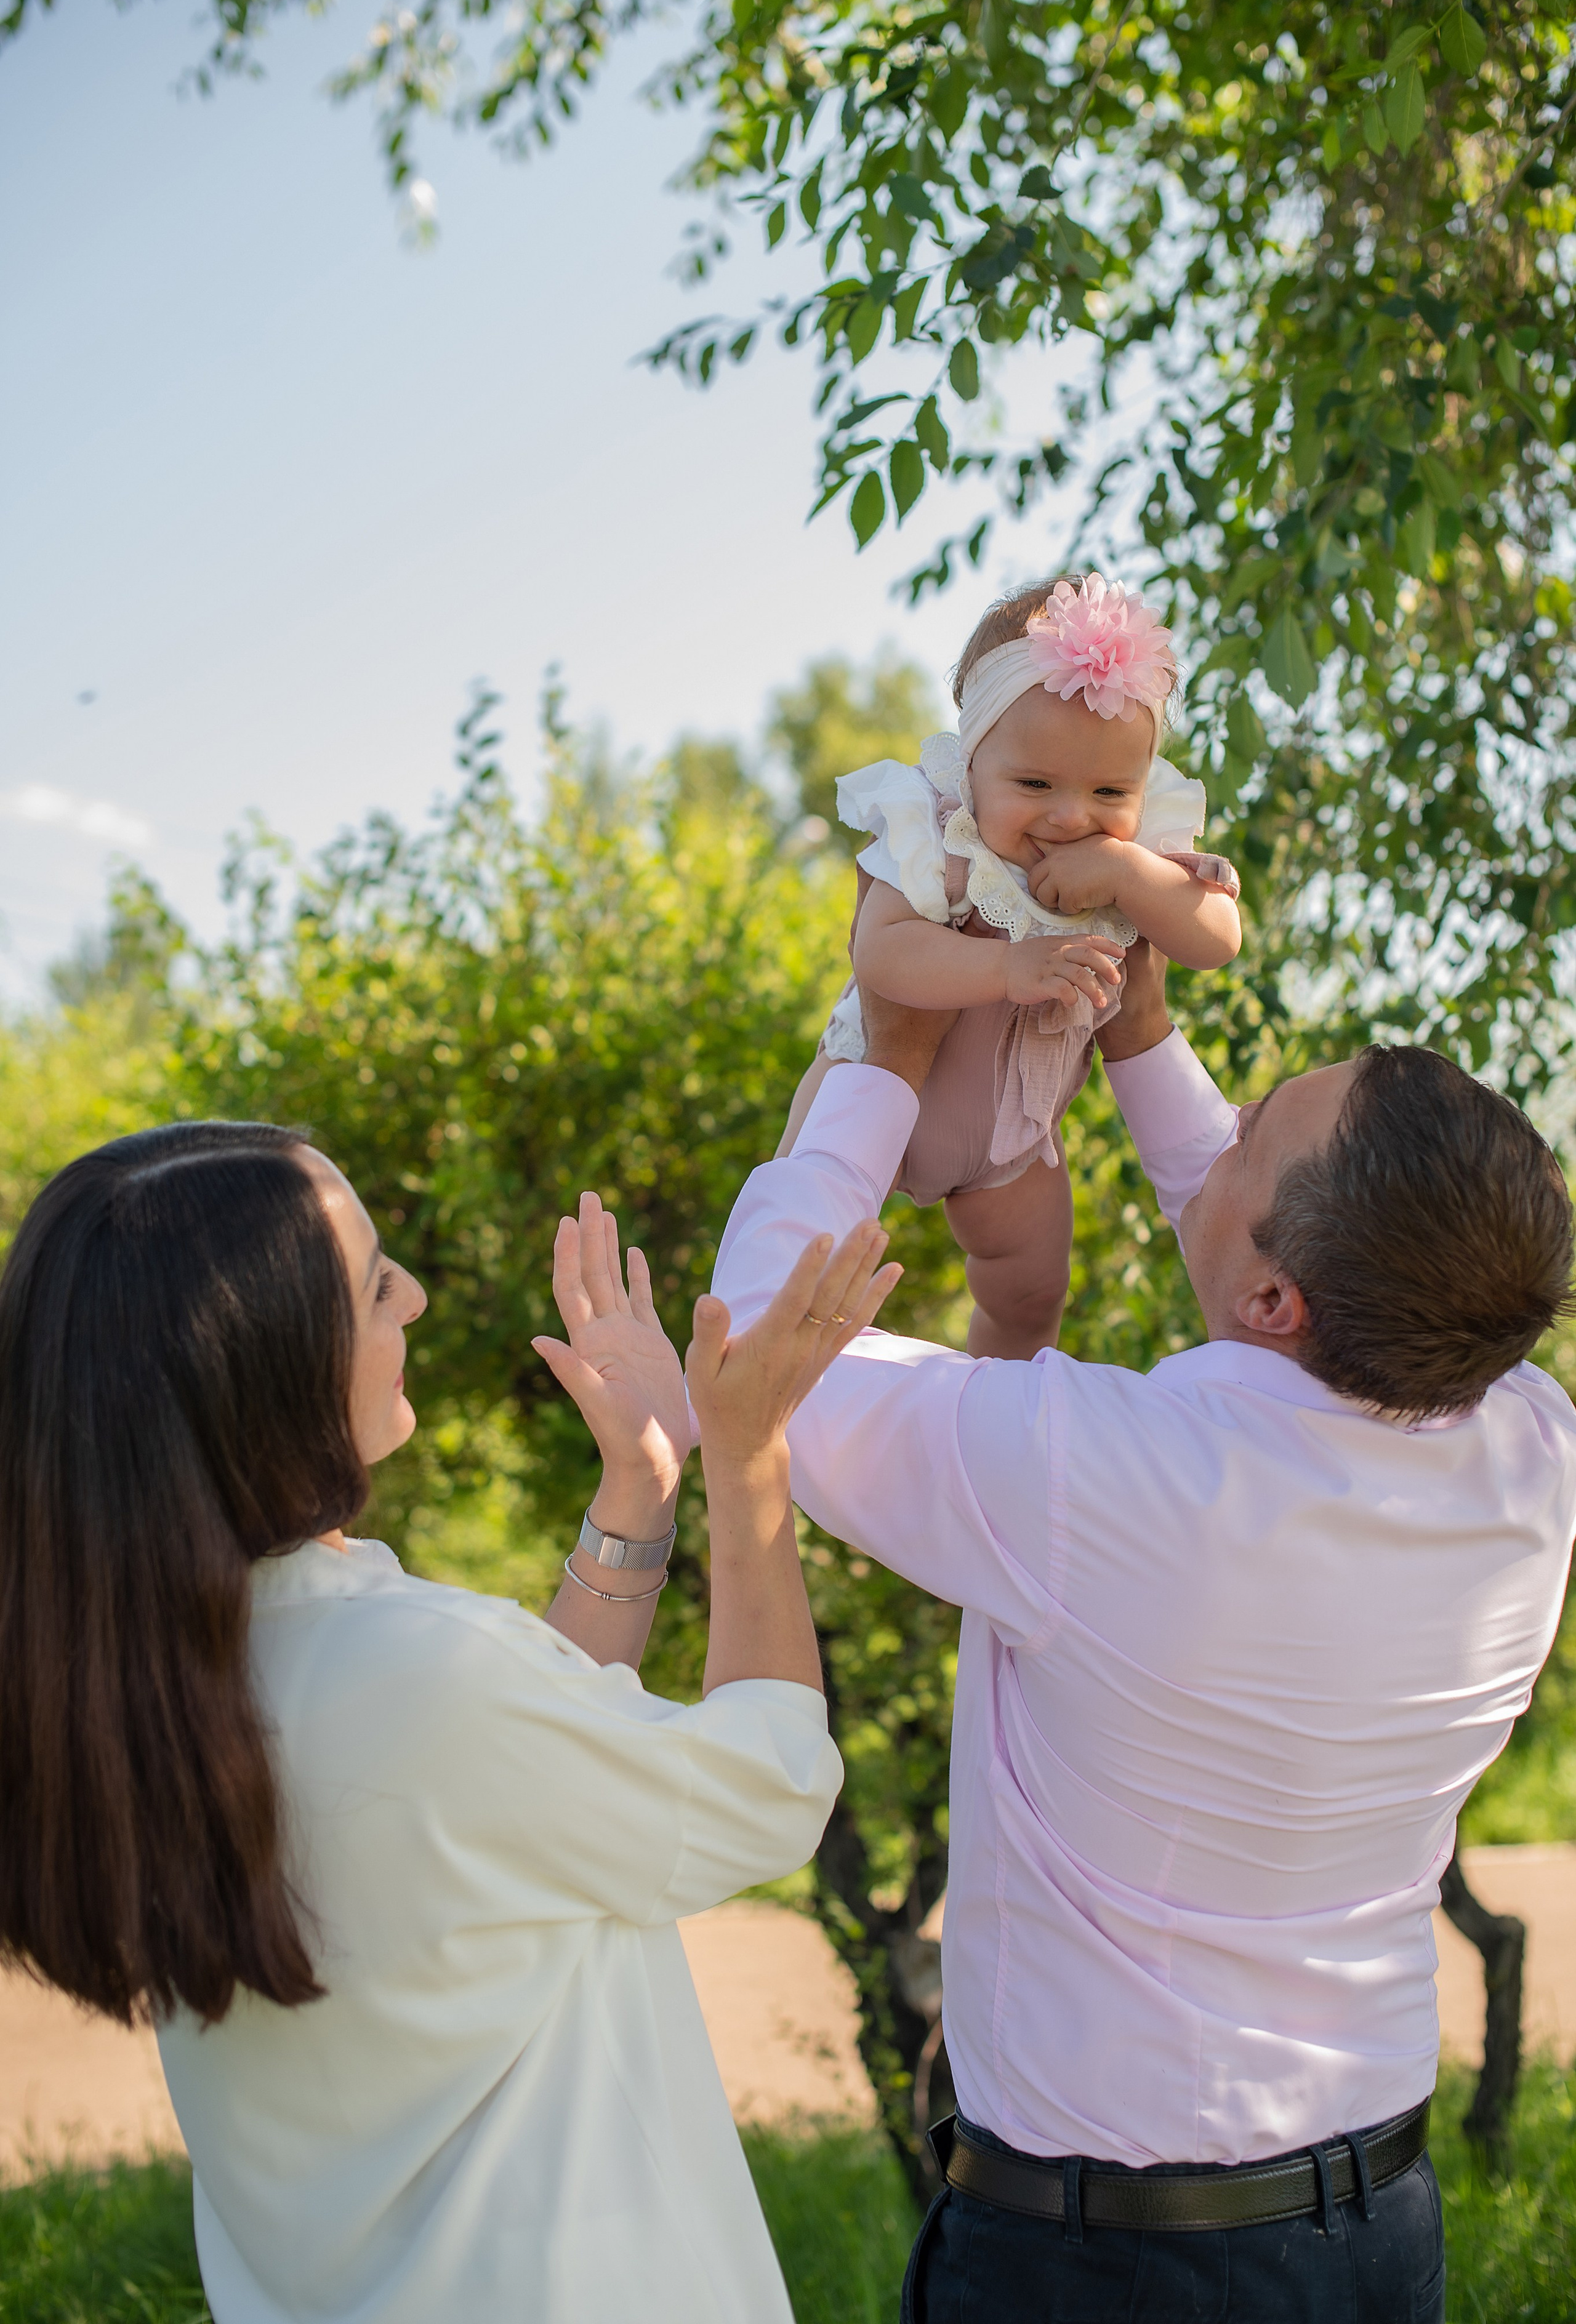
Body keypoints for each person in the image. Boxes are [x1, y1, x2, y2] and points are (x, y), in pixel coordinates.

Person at [714, 941, 1576, 2323]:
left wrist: (881, 1056)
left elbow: (755, 1351)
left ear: (1274, 1304)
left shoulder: (1104, 1480)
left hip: (1112, 2267)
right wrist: (1141, 1033)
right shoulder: (1528, 1441)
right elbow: (1278, 1262)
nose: (1219, 1127)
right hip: (1372, 2228)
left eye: (1250, 1125)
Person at [0, 1121, 899, 2324]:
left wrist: (637, 1494)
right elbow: (772, 1779)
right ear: (270, 1363)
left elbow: (503, 1795)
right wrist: (747, 1465)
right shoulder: (414, 1675)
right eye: (375, 1282)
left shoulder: (150, 1684)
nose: (414, 1297)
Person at [779, 572, 1241, 1358]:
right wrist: (1005, 968)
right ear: (973, 763)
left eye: (1108, 789)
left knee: (1030, 1295)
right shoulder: (937, 829)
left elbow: (1217, 938)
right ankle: (756, 1396)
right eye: (1034, 784)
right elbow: (880, 950)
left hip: (1011, 1145)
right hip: (870, 1086)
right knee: (799, 1262)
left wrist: (1133, 874)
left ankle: (997, 1396)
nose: (1071, 815)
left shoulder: (1136, 854)